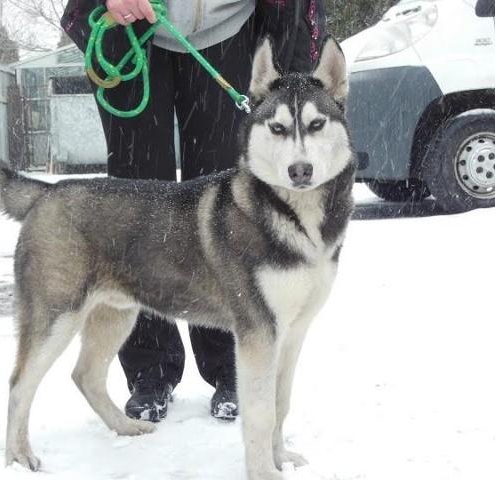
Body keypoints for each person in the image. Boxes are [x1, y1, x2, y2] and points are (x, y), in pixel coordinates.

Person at [61, 0, 324, 422]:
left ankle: (228, 364)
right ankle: (150, 366)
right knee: (138, 207)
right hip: (136, 29)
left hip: (229, 30)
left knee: (229, 210)